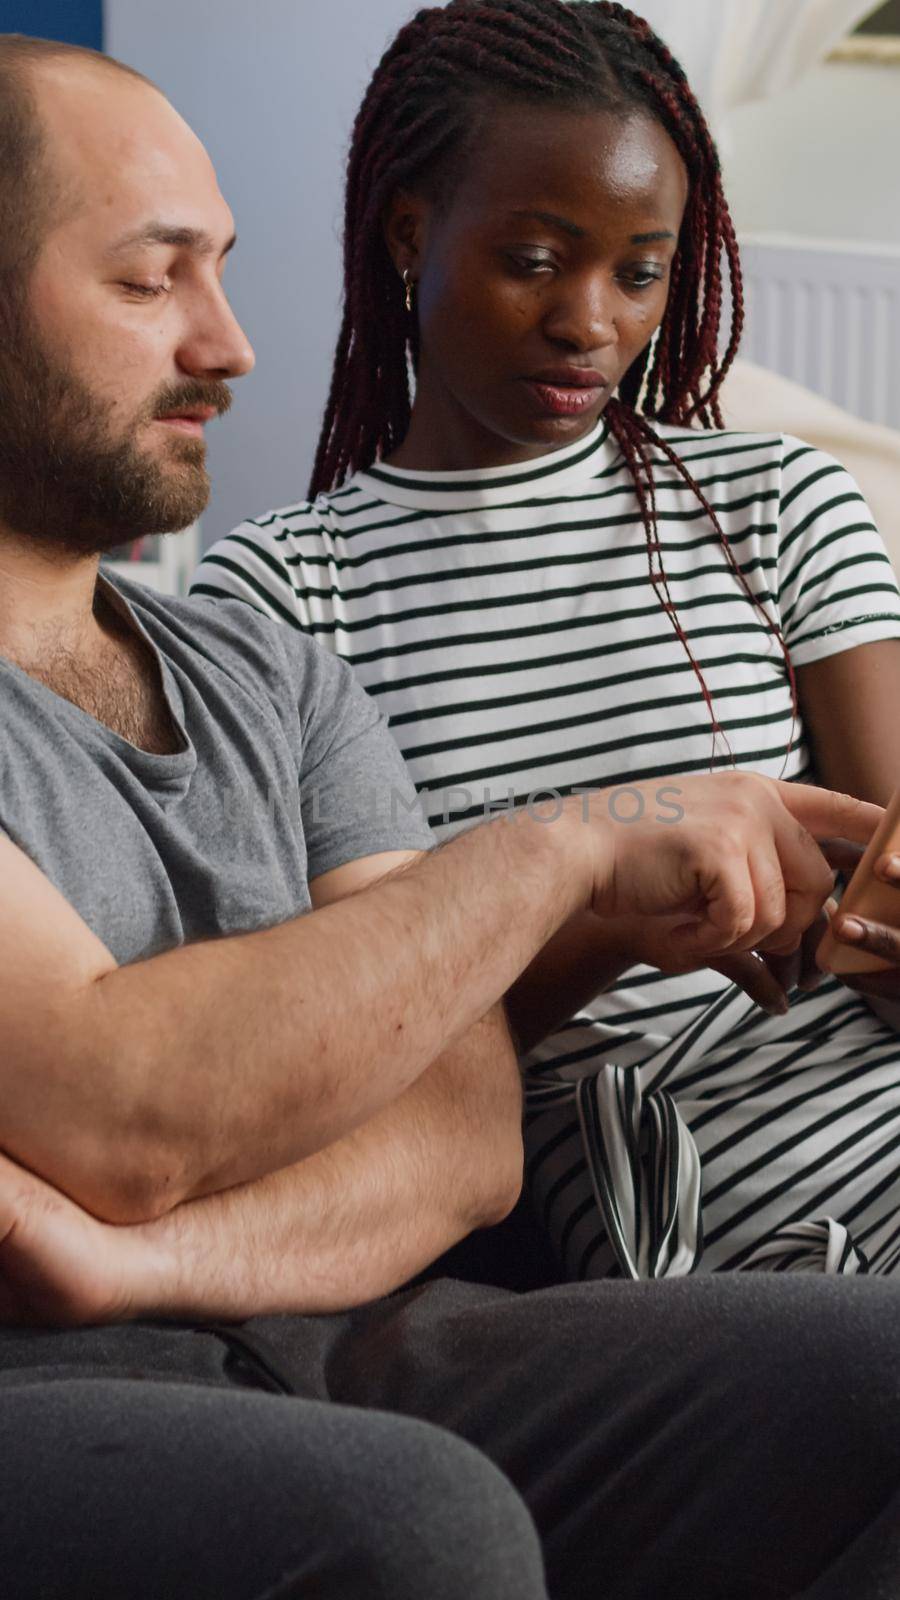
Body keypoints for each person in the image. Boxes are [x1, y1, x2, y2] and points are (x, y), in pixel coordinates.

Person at [2, 27, 900, 1600]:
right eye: (154, 284)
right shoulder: (304, 590)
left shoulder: (263, 671)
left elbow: (462, 1118)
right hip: (96, 1389)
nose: (234, 346)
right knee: (424, 1528)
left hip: (364, 1322)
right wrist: (566, 851)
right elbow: (124, 1103)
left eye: (219, 274)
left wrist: (147, 1256)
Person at [196, 0, 900, 1282]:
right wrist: (605, 917)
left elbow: (889, 865)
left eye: (640, 270)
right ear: (413, 233)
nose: (593, 323)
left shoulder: (778, 504)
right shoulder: (280, 600)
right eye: (534, 257)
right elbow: (319, 1060)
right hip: (687, 1251)